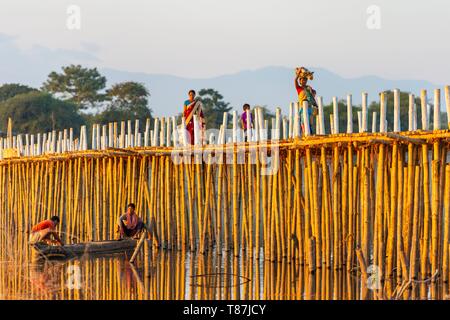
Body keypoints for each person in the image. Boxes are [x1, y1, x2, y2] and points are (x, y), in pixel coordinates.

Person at [295, 67, 318, 134]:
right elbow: (295, 81)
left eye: (305, 80)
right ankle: (305, 134)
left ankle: (310, 133)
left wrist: (311, 91)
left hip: (309, 108)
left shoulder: (308, 88)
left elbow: (314, 93)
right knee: (303, 122)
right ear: (300, 81)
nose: (303, 81)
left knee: (310, 123)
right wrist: (298, 74)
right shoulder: (299, 88)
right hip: (303, 108)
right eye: (302, 80)